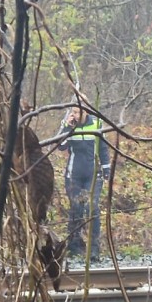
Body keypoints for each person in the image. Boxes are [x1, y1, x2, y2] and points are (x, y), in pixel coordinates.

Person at [57, 105, 110, 261]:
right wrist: (67, 127)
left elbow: (103, 148)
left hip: (93, 174)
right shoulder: (67, 124)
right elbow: (60, 146)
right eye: (73, 111)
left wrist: (106, 169)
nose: (75, 114)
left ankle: (94, 249)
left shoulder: (97, 123)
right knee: (76, 208)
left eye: (78, 112)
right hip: (73, 175)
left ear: (86, 112)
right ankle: (74, 246)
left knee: (92, 208)